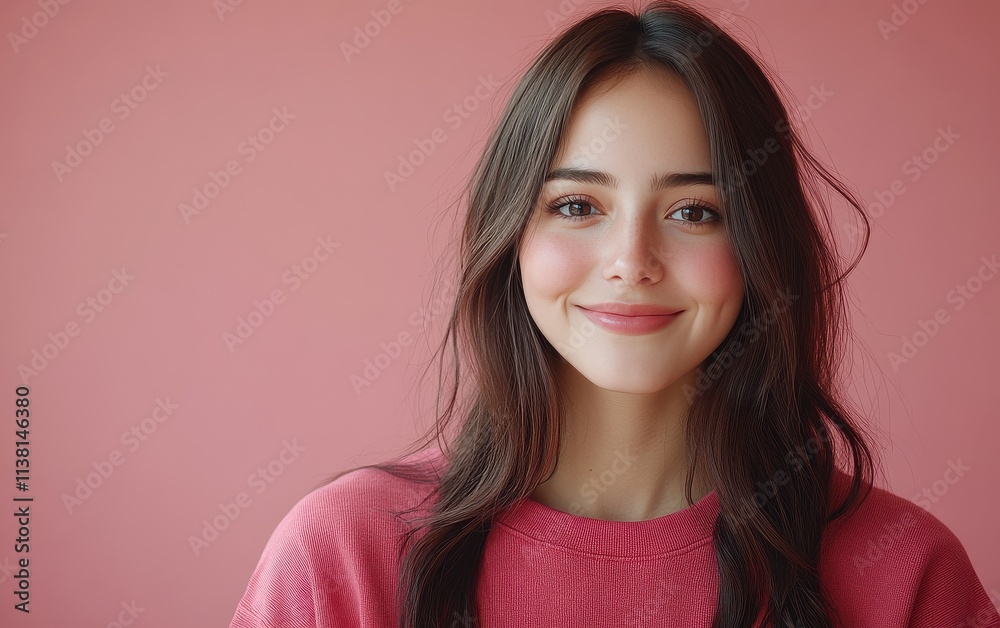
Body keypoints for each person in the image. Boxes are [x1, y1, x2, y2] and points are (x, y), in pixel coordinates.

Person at [230, 1, 1000, 626]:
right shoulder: (345, 553)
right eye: (576, 205)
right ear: (512, 241)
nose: (631, 259)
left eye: (695, 211)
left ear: (764, 246)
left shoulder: (904, 572)